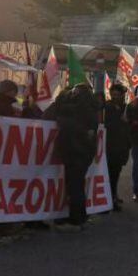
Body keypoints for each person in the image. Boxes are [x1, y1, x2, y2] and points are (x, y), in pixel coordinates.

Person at [49, 83, 100, 230]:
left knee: (75, 187)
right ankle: (80, 216)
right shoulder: (91, 110)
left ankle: (75, 221)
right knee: (76, 185)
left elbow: (62, 117)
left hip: (75, 153)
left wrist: (62, 99)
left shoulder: (74, 112)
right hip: (83, 153)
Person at [103, 83, 131, 210]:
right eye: (113, 94)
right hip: (110, 146)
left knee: (116, 173)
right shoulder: (107, 107)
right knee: (110, 174)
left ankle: (113, 194)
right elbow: (106, 125)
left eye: (118, 95)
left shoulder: (126, 108)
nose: (115, 97)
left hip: (122, 146)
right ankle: (110, 199)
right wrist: (120, 120)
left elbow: (130, 127)